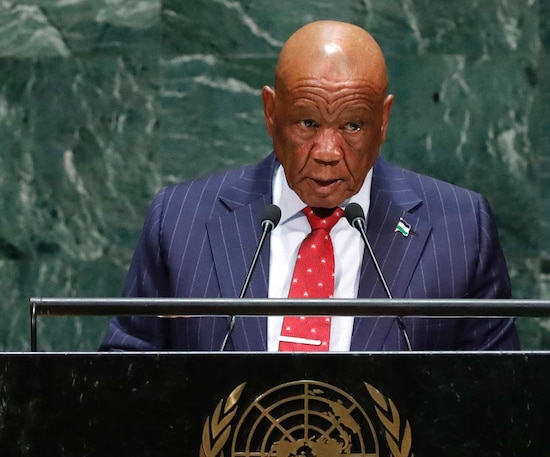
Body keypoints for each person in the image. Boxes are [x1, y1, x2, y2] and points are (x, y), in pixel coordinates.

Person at [100, 20, 519, 351]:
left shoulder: (461, 229)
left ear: (384, 120)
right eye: (308, 123)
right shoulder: (179, 223)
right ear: (270, 112)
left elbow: (500, 402)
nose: (327, 151)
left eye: (353, 125)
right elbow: (123, 383)